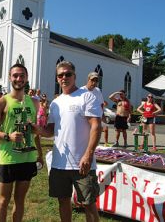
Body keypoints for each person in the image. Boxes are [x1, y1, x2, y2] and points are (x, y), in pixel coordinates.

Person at [34, 61, 102, 222]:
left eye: (67, 74)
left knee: (89, 204)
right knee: (63, 201)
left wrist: (88, 155)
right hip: (59, 163)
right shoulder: (56, 102)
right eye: (60, 75)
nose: (64, 77)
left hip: (82, 163)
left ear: (74, 76)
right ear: (57, 78)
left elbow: (96, 127)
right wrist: (37, 129)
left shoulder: (86, 96)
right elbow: (51, 131)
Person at [0, 63, 43, 222]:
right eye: (15, 75)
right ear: (10, 78)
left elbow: (36, 133)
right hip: (9, 157)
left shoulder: (34, 102)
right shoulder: (2, 102)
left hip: (28, 158)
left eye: (22, 76)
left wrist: (39, 155)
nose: (18, 79)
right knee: (3, 200)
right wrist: (8, 136)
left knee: (20, 201)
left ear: (26, 78)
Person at [81, 72, 104, 144]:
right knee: (84, 138)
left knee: (94, 139)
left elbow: (101, 104)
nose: (94, 83)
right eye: (92, 80)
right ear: (88, 80)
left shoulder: (98, 90)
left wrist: (103, 116)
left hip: (96, 118)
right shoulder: (82, 91)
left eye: (96, 81)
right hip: (85, 118)